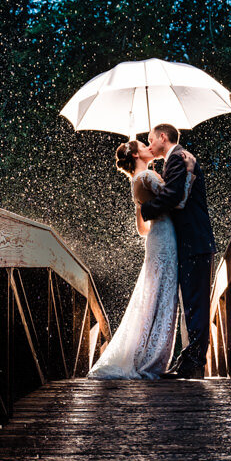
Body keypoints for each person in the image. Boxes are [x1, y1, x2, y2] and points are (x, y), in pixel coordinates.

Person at [87, 139, 182, 379]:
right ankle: (152, 360)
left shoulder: (137, 181)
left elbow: (141, 229)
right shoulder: (147, 178)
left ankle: (147, 356)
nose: (149, 147)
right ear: (136, 155)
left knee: (154, 295)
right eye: (143, 145)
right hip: (165, 238)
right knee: (163, 295)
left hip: (157, 238)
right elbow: (177, 199)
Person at [140, 123, 216, 380]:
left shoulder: (178, 158)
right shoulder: (176, 159)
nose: (149, 145)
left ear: (163, 137)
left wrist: (145, 210)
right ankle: (190, 360)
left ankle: (194, 363)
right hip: (190, 243)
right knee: (191, 305)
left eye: (151, 140)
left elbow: (174, 196)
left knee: (195, 303)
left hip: (194, 241)